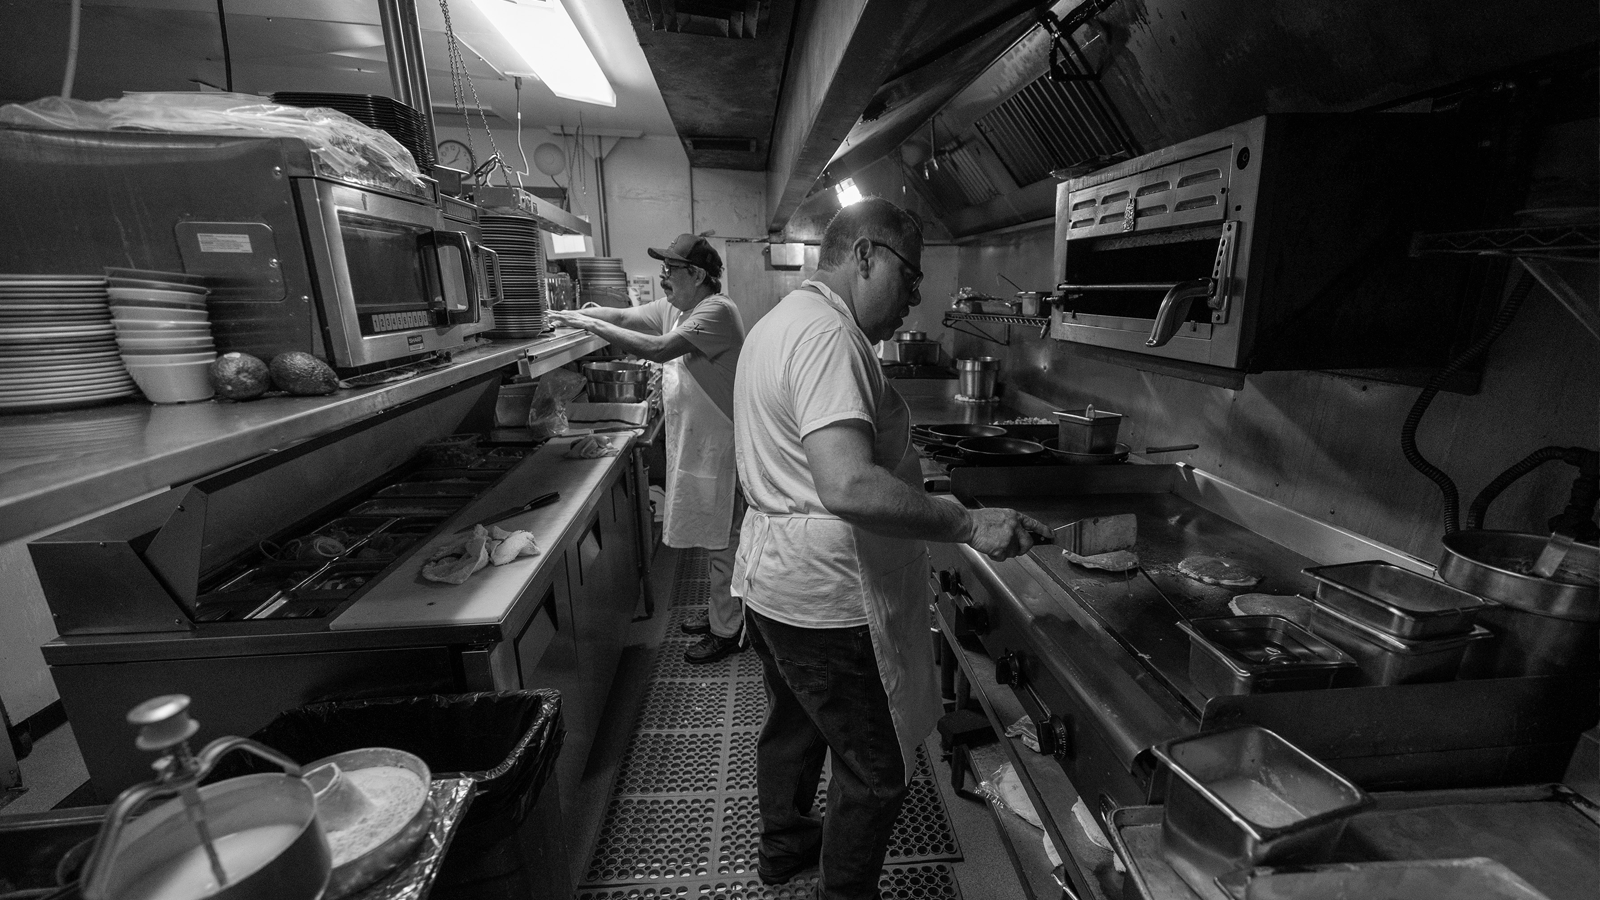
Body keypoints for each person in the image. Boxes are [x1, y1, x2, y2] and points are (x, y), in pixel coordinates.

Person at [732, 197, 1047, 899]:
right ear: (866, 254)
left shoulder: (783, 322)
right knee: (877, 771)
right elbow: (846, 484)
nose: (916, 296)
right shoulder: (828, 338)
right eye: (911, 275)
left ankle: (784, 850)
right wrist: (966, 524)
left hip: (774, 584)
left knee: (794, 726)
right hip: (828, 600)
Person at [550, 234, 747, 663]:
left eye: (671, 269)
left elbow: (658, 350)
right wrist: (573, 314)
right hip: (700, 445)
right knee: (714, 541)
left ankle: (729, 629)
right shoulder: (677, 309)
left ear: (696, 274)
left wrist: (594, 327)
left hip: (723, 446)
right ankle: (722, 615)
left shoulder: (716, 310)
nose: (662, 277)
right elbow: (624, 313)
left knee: (724, 541)